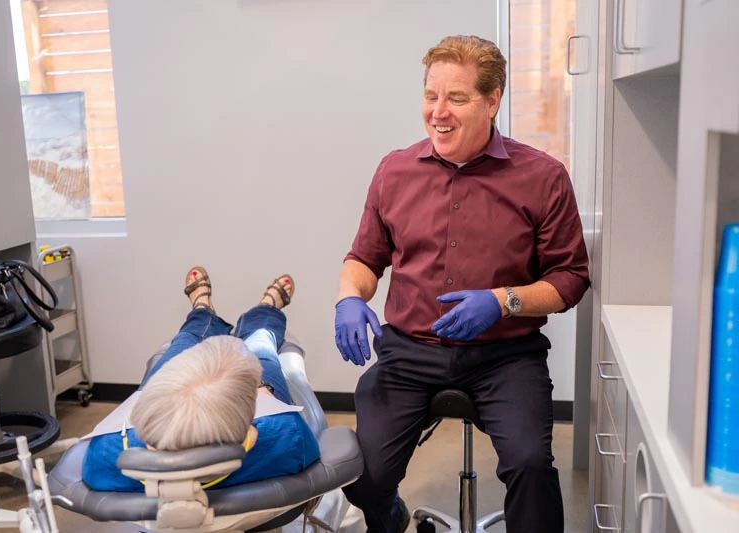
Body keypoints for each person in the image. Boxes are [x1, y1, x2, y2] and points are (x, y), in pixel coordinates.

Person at [334, 35, 590, 533]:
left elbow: (570, 279)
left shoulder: (543, 178)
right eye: (431, 96)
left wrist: (504, 301)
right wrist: (349, 296)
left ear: (493, 101)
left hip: (505, 357)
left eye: (456, 98)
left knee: (531, 467)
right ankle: (387, 516)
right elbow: (363, 258)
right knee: (362, 474)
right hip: (409, 352)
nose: (438, 112)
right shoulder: (394, 171)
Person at [82, 267, 320, 492]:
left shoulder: (108, 454)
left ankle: (202, 311)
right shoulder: (286, 435)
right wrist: (260, 391)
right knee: (260, 344)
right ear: (248, 426)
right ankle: (266, 311)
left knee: (186, 340)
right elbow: (307, 447)